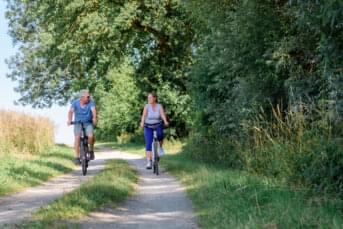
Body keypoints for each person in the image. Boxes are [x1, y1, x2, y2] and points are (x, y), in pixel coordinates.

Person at [140, 92, 169, 169]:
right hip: (148, 126)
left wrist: (165, 121)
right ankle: (149, 162)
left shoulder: (159, 106)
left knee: (160, 135)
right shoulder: (146, 106)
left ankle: (160, 148)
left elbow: (162, 114)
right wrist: (142, 123)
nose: (148, 99)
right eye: (148, 98)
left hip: (158, 124)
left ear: (154, 98)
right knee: (148, 143)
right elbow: (144, 116)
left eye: (150, 97)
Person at [67, 89, 97, 165]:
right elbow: (71, 112)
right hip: (78, 123)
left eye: (89, 96)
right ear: (82, 97)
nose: (89, 97)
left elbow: (93, 111)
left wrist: (94, 118)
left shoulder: (91, 102)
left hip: (88, 122)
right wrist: (70, 120)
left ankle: (91, 150)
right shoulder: (75, 103)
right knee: (77, 138)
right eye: (88, 96)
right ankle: (77, 157)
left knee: (90, 136)